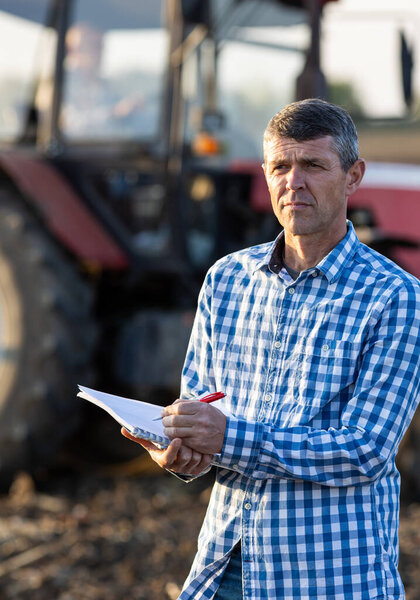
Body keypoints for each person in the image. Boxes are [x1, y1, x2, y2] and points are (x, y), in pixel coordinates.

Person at [122, 98, 420, 599]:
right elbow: (203, 415)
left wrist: (226, 439)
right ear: (264, 173)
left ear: (353, 176)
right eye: (280, 166)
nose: (293, 182)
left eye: (313, 165)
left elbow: (365, 449)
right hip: (225, 564)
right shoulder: (226, 280)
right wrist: (181, 448)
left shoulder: (397, 298)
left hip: (327, 576)